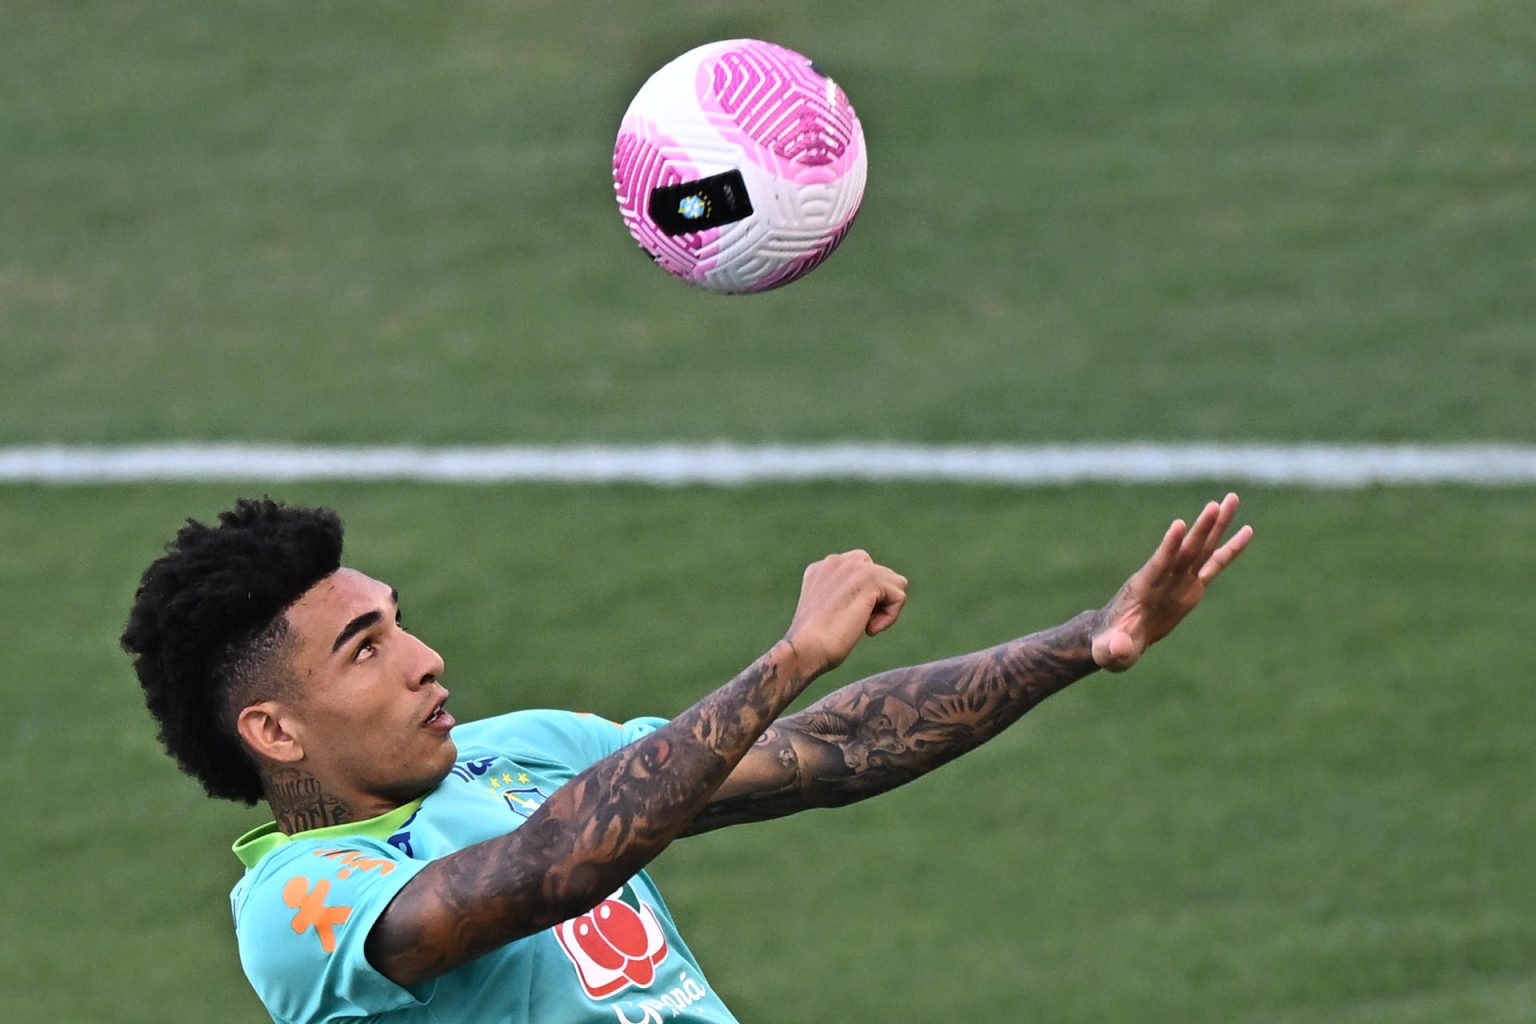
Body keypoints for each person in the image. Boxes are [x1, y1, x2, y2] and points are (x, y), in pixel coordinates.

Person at [122, 493, 1252, 1024]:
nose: (426, 659)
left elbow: (833, 748)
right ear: (273, 729)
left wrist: (1085, 640)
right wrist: (788, 656)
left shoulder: (512, 752)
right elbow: (544, 873)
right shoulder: (300, 905)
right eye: (366, 649)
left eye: (398, 619)